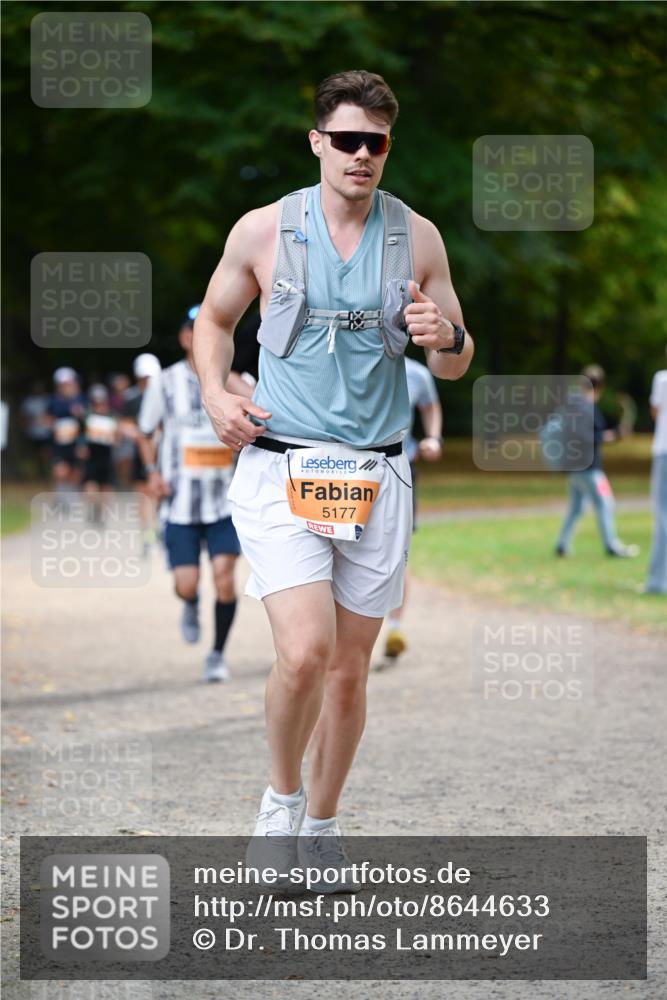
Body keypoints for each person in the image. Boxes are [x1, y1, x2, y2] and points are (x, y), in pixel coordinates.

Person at [192, 70, 473, 880]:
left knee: (350, 669)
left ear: (388, 147)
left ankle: (320, 825)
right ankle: (277, 809)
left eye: (374, 142)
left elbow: (456, 360)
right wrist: (215, 393)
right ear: (317, 141)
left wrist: (443, 334)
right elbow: (214, 322)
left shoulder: (416, 237)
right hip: (283, 467)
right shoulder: (263, 230)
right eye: (345, 139)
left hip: (377, 475)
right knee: (306, 652)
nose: (360, 154)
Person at [137, 307, 251, 683]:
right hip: (181, 503)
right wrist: (152, 472)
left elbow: (267, 416)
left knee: (224, 578)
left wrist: (234, 384)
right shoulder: (164, 383)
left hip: (224, 501)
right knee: (186, 583)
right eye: (194, 331)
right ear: (187, 338)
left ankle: (217, 653)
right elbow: (144, 431)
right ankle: (189, 603)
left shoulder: (237, 381)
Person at [383, 355, 443, 660]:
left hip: (400, 469)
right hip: (349, 469)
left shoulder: (417, 373)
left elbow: (430, 407)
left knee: (397, 552)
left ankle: (395, 628)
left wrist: (433, 438)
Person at [555, 365, 638, 558]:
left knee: (576, 508)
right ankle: (611, 545)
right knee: (605, 503)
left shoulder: (571, 405)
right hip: (590, 468)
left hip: (573, 467)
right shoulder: (586, 407)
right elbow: (591, 437)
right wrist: (616, 435)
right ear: (599, 386)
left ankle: (562, 543)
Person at [118, 353, 162, 555]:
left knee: (160, 493)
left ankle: (161, 528)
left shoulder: (165, 393)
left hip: (163, 452)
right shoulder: (132, 398)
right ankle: (147, 535)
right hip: (141, 452)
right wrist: (138, 434)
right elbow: (122, 423)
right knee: (143, 494)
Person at [47, 367, 87, 506]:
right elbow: (49, 418)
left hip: (76, 442)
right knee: (60, 470)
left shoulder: (81, 399)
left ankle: (70, 498)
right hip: (60, 443)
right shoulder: (53, 401)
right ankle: (61, 496)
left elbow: (86, 423)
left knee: (75, 471)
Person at [645, 349, 667, 594]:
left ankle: (657, 581)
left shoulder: (662, 378)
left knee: (662, 515)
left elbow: (655, 411)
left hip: (664, 451)